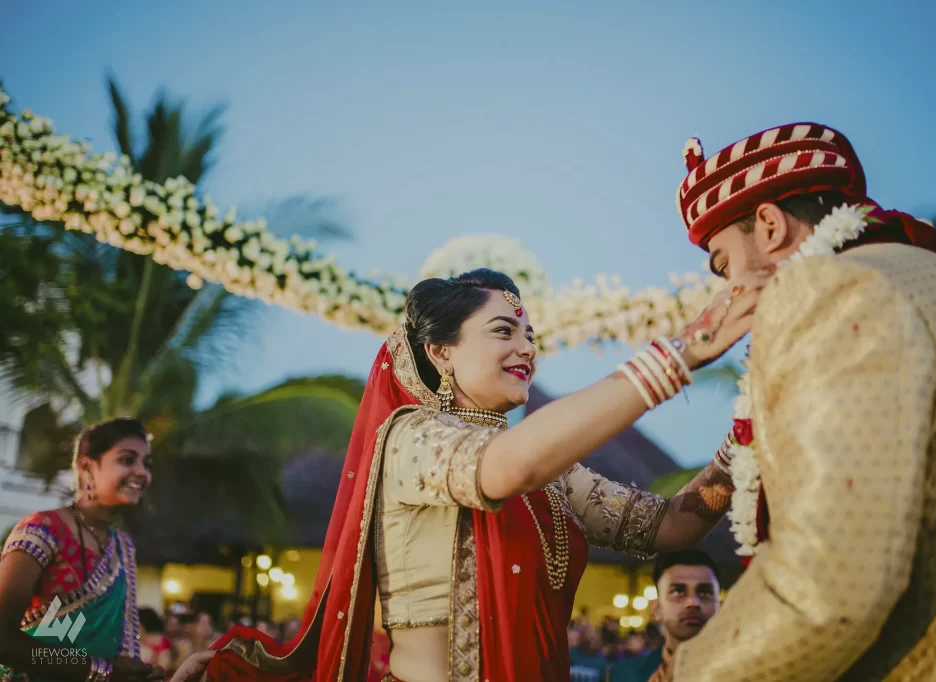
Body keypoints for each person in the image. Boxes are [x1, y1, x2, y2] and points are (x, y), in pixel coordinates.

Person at [186, 266, 767, 682]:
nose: (526, 349)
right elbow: (510, 467)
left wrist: (746, 438)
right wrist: (683, 353)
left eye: (531, 336)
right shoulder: (412, 438)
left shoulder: (540, 468)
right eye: (503, 331)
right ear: (441, 350)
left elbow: (669, 526)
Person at [671, 123, 936, 681]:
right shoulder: (934, 276)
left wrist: (688, 674)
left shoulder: (827, 291)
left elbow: (833, 582)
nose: (727, 289)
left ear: (768, 225)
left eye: (722, 264)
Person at [0, 418, 159, 682]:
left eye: (147, 464)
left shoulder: (123, 547)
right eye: (127, 460)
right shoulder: (43, 529)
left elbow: (123, 654)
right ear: (87, 468)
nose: (142, 472)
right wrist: (100, 670)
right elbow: (2, 642)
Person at [609, 549, 721, 682]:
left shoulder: (744, 671)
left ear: (721, 606)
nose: (693, 602)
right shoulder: (623, 675)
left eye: (705, 593)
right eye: (678, 592)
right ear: (656, 609)